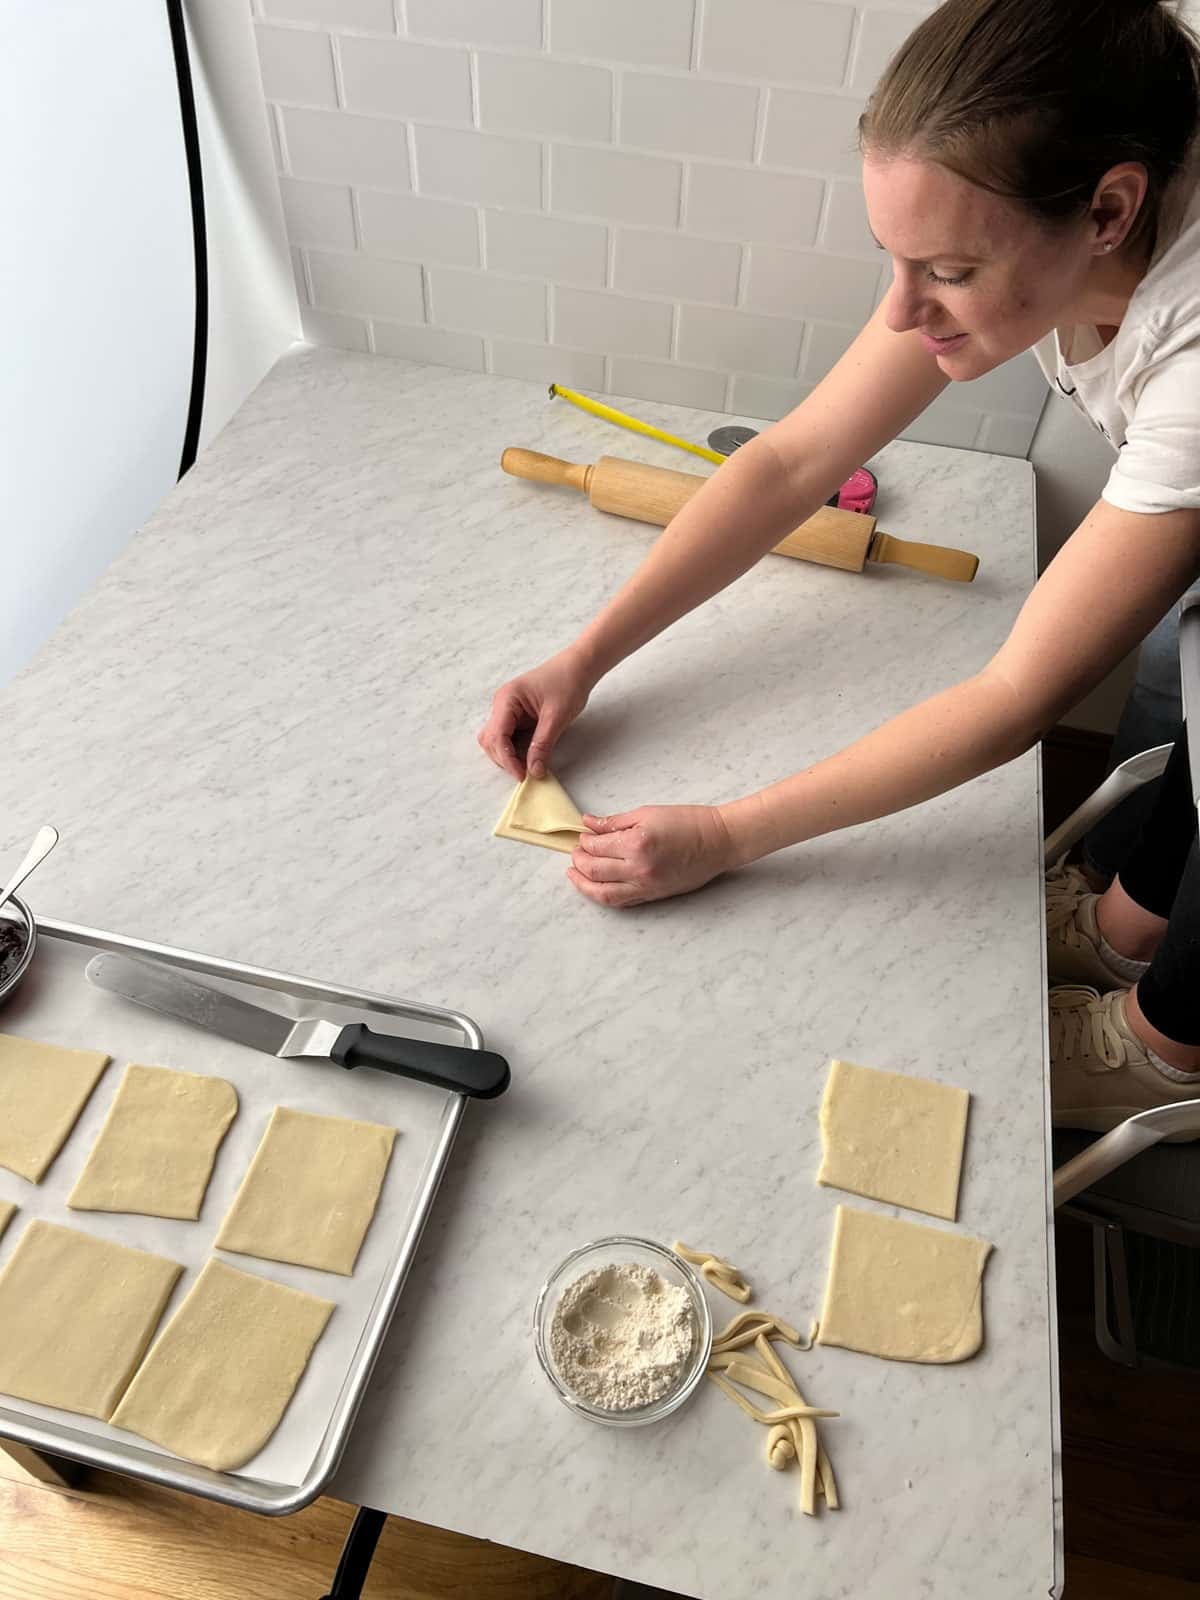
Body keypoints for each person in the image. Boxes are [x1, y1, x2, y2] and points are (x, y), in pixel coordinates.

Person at [479, 0, 1200, 1133]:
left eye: (949, 270)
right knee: (1180, 703)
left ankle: (1168, 1049)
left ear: (1110, 210)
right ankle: (1129, 925)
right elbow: (791, 462)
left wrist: (728, 833)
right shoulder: (1102, 145)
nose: (906, 311)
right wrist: (585, 657)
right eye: (895, 260)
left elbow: (1016, 698)